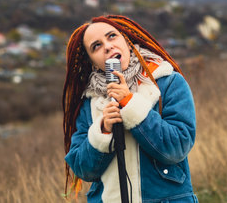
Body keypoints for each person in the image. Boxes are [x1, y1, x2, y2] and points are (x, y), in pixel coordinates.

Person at [63, 15, 198, 202]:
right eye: (97, 46)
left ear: (127, 40)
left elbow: (178, 146)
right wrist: (102, 131)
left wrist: (130, 104)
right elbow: (82, 169)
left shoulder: (167, 82)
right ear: (92, 62)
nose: (107, 46)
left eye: (112, 36)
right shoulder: (89, 103)